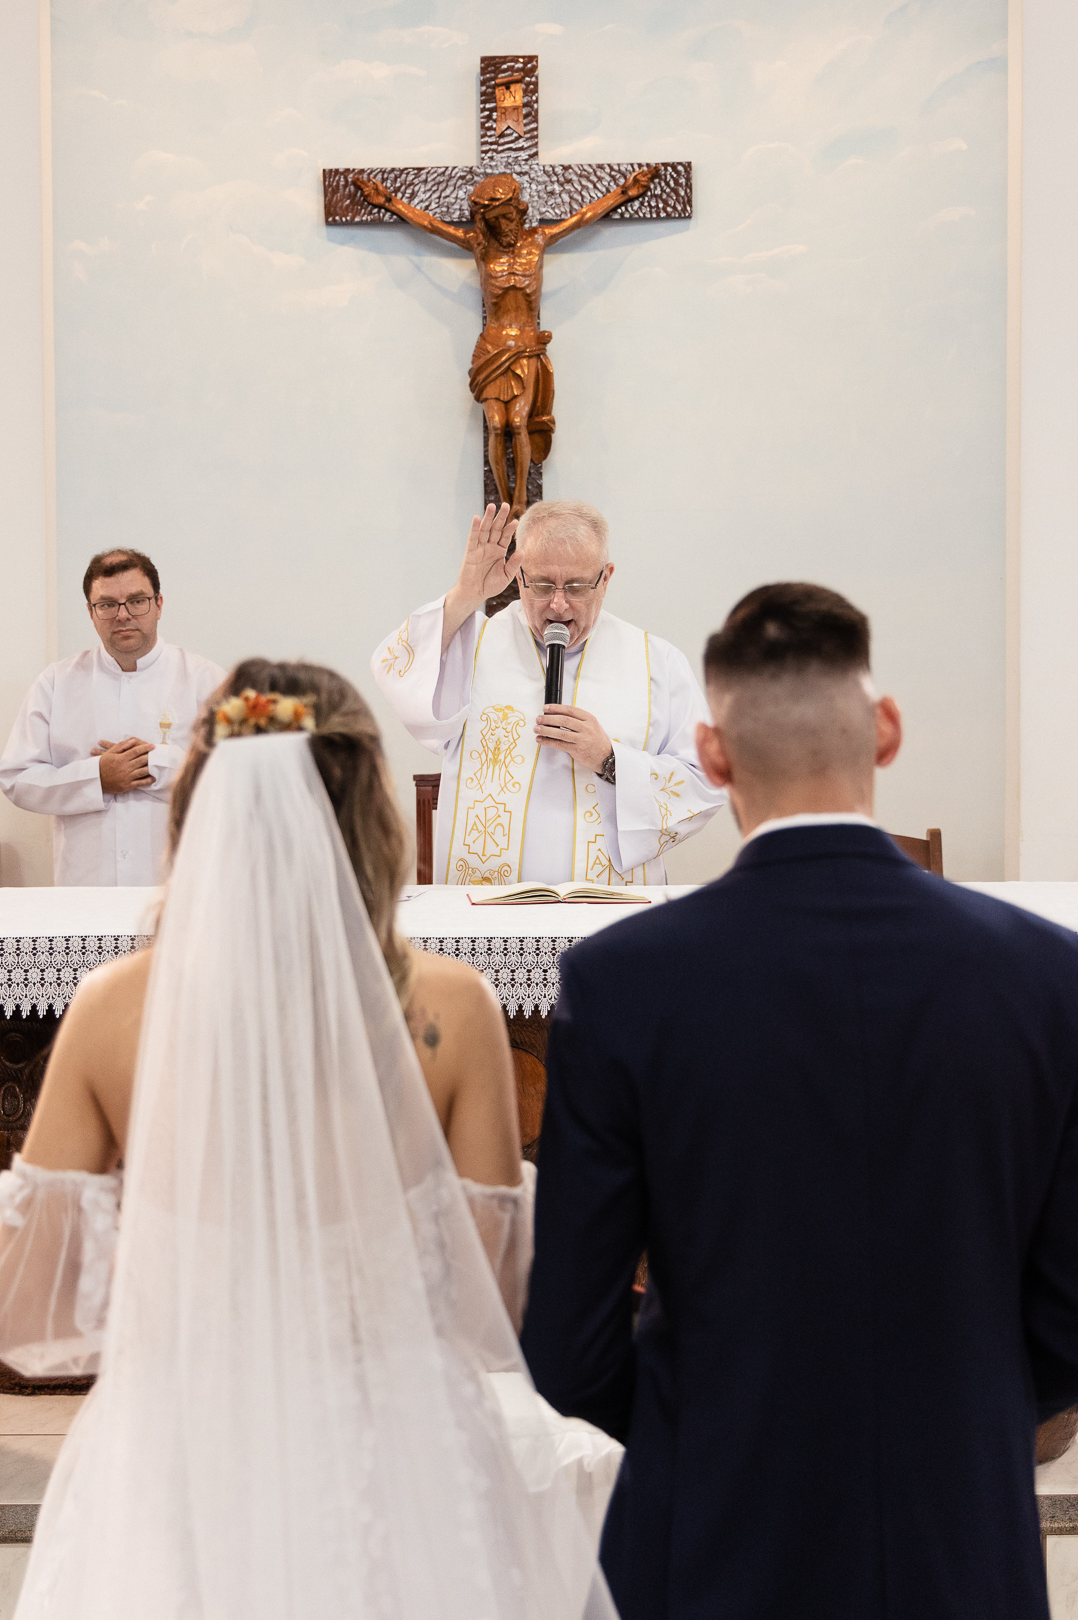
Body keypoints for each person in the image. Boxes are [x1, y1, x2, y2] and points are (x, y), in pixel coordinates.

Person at [0, 661, 621, 1619]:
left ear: (195, 815)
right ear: (370, 816)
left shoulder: (113, 1007)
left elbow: (29, 1306)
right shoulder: (452, 1008)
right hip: (395, 1446)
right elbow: (489, 1303)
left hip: (184, 1445)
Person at [521, 582, 1078, 1620]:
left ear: (712, 754)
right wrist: (965, 1416)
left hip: (713, 1532)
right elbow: (1071, 1306)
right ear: (887, 730)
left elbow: (569, 1342)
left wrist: (700, 1429)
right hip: (959, 1531)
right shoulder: (1045, 975)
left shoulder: (625, 982)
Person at [372, 500, 725, 887]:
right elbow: (395, 671)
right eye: (541, 585)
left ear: (605, 578)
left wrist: (610, 760)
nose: (558, 604)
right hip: (488, 907)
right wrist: (464, 595)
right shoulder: (472, 645)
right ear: (519, 577)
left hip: (606, 908)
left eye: (576, 586)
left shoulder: (655, 662)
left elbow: (705, 781)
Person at [352, 169, 657, 516]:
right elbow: (433, 226)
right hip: (492, 348)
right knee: (497, 425)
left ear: (518, 211)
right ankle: (504, 500)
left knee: (519, 422)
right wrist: (388, 202)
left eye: (507, 217)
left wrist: (625, 192)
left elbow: (582, 218)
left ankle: (522, 500)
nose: (503, 226)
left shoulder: (538, 240)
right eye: (495, 220)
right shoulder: (480, 247)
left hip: (526, 346)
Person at [0, 548, 224, 885]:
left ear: (159, 604)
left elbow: (232, 777)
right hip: (87, 884)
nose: (123, 615)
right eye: (107, 605)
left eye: (137, 601)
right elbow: (16, 779)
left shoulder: (206, 680)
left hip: (179, 885)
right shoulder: (57, 682)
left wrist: (157, 764)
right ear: (91, 612)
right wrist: (97, 779)